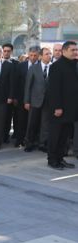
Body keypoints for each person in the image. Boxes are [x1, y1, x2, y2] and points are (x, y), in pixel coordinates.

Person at [45, 41, 78, 170]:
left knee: (65, 136)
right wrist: (57, 107)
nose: (75, 52)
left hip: (72, 109)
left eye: (76, 50)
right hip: (59, 109)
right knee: (55, 135)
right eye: (72, 50)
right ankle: (52, 160)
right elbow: (54, 90)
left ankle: (60, 158)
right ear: (64, 51)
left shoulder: (75, 65)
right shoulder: (56, 66)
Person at [24, 47, 52, 153]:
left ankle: (42, 143)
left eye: (50, 53)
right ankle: (29, 143)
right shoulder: (34, 68)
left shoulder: (54, 67)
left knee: (45, 124)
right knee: (32, 123)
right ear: (40, 56)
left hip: (48, 102)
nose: (49, 55)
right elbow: (28, 86)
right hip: (34, 100)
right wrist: (26, 101)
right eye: (46, 54)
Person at [13, 47, 39, 147]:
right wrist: (15, 97)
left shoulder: (41, 66)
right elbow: (16, 82)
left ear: (38, 55)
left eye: (35, 55)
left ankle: (31, 140)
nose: (33, 57)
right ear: (28, 54)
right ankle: (19, 140)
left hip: (36, 99)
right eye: (31, 55)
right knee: (21, 120)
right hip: (21, 98)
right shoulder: (21, 66)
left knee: (33, 121)